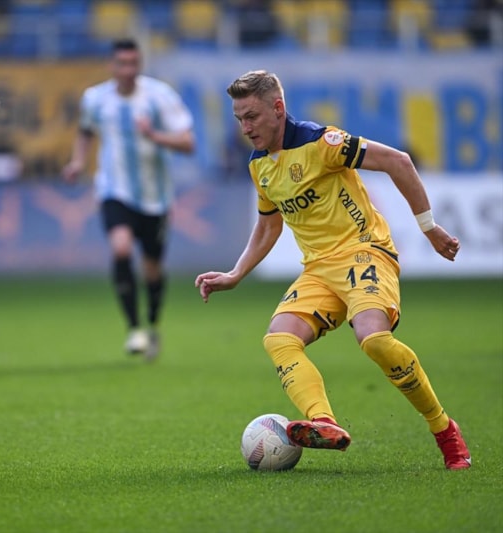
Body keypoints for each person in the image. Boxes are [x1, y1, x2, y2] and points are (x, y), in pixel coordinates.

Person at [194, 70, 471, 470]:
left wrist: (429, 229)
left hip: (365, 251)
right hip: (318, 270)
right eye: (239, 119)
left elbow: (398, 161)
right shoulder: (259, 166)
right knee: (279, 338)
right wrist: (236, 274)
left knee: (374, 340)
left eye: (251, 116)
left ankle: (444, 429)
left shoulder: (322, 143)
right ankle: (323, 421)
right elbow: (269, 225)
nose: (245, 128)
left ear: (278, 108)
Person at [63, 38, 195, 360]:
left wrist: (154, 135)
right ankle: (134, 328)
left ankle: (152, 323)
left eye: (133, 63)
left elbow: (188, 143)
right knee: (121, 248)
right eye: (122, 63)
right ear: (112, 65)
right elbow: (85, 131)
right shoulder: (95, 98)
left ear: (140, 65)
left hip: (156, 197)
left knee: (152, 269)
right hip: (114, 189)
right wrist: (78, 161)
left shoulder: (160, 96)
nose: (128, 70)